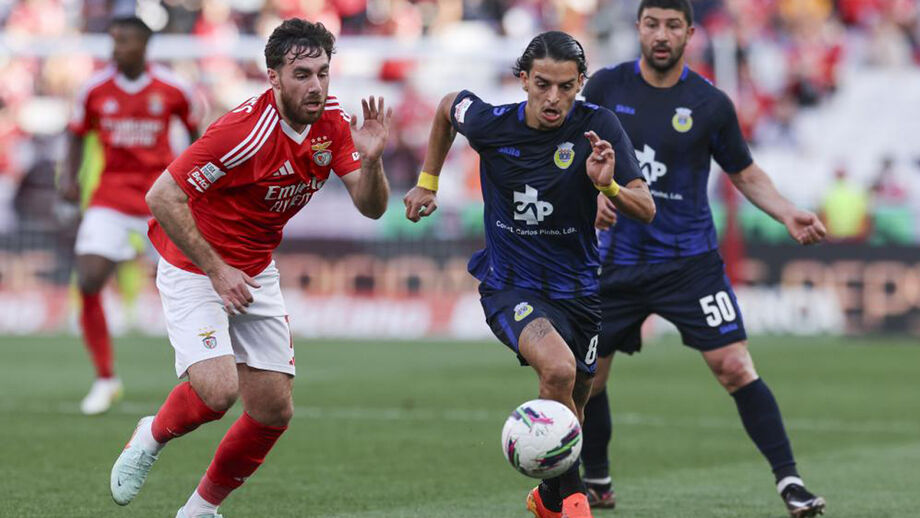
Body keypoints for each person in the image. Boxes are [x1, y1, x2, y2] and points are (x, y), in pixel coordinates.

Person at [108, 19, 391, 518]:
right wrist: (217, 271)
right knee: (218, 391)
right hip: (196, 267)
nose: (316, 86)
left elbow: (371, 208)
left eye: (323, 73)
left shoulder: (331, 122)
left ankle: (199, 511)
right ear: (273, 78)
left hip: (255, 271)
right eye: (302, 74)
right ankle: (151, 435)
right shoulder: (242, 132)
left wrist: (371, 163)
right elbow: (163, 196)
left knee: (273, 411)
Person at [579, 1, 828, 517]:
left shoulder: (710, 103)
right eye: (652, 24)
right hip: (613, 262)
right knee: (589, 378)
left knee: (735, 366)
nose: (662, 35)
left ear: (690, 33)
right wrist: (591, 195)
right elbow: (572, 154)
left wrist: (786, 212)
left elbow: (744, 171)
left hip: (688, 263)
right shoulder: (605, 88)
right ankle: (597, 479)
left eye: (673, 26)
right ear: (639, 29)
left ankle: (791, 483)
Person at [403, 31, 655, 518]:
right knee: (558, 371)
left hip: (579, 292)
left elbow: (644, 208)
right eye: (542, 84)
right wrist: (427, 182)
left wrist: (610, 186)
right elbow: (445, 107)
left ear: (581, 82)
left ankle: (545, 499)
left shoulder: (597, 128)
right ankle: (574, 505)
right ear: (523, 79)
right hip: (510, 285)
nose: (554, 98)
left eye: (566, 86)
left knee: (576, 403)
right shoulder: (490, 122)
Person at [60, 15, 201, 415]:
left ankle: (210, 371)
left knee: (198, 280)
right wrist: (69, 179)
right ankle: (106, 379)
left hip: (162, 200)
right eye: (113, 41)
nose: (116, 49)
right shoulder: (94, 89)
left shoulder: (174, 89)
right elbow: (74, 135)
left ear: (143, 45)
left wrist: (198, 186)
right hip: (111, 198)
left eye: (123, 41)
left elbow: (199, 140)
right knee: (88, 277)